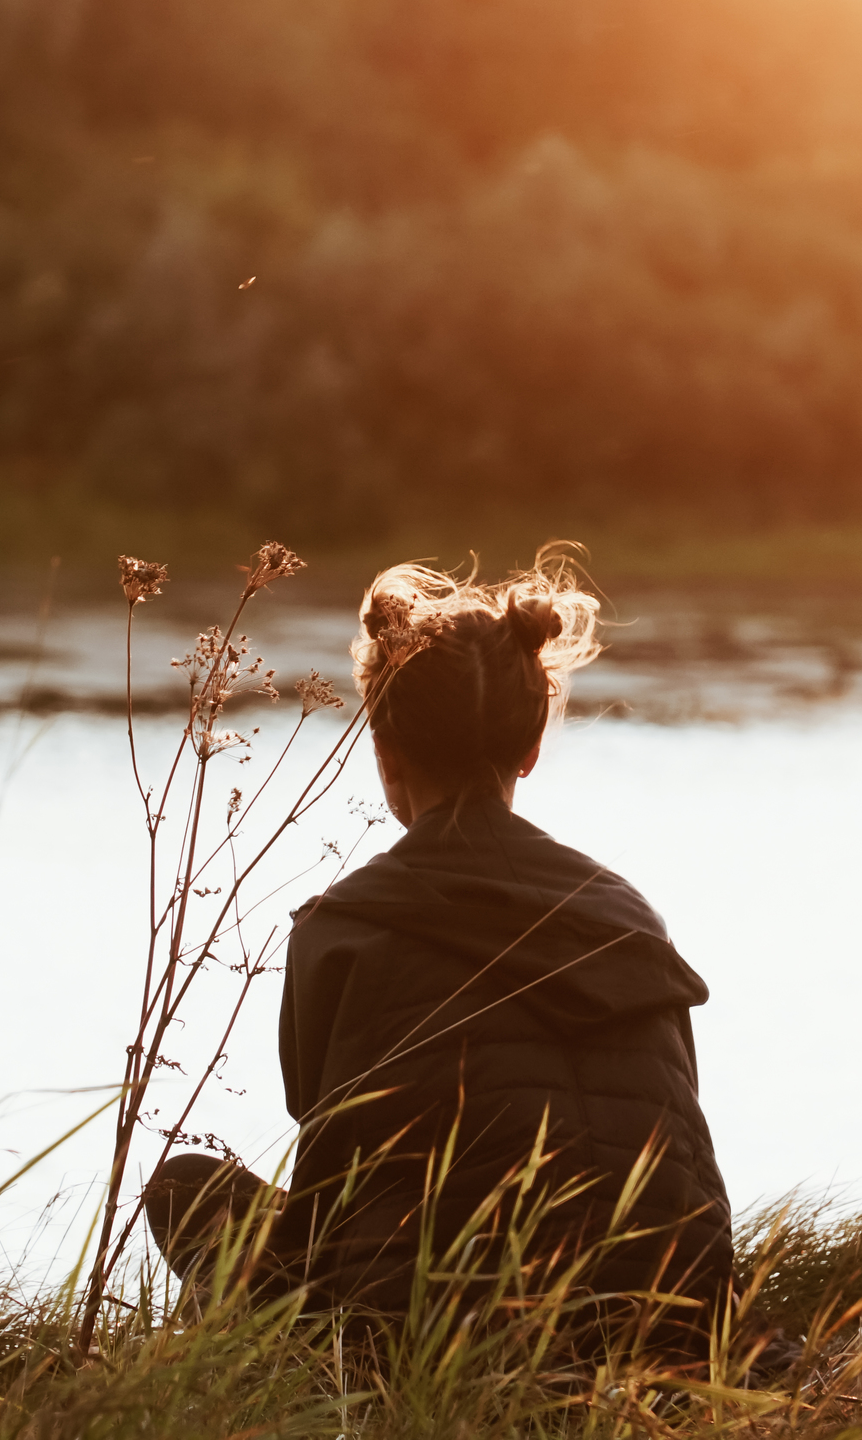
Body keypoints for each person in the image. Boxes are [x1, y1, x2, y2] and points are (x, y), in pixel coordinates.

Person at [147, 550, 730, 1362]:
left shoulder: (341, 928)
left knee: (185, 1189)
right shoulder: (632, 920)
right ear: (528, 752)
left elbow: (330, 1168)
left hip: (434, 1346)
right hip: (674, 1330)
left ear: (385, 752)